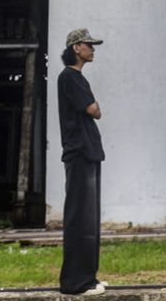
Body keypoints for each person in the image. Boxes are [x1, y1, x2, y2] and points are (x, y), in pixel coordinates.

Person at [58, 28, 106, 296]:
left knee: (89, 218)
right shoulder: (70, 77)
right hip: (79, 153)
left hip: (87, 153)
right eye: (90, 45)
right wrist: (95, 106)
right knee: (79, 218)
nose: (93, 49)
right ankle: (75, 283)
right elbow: (94, 111)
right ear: (77, 48)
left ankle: (88, 277)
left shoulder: (77, 78)